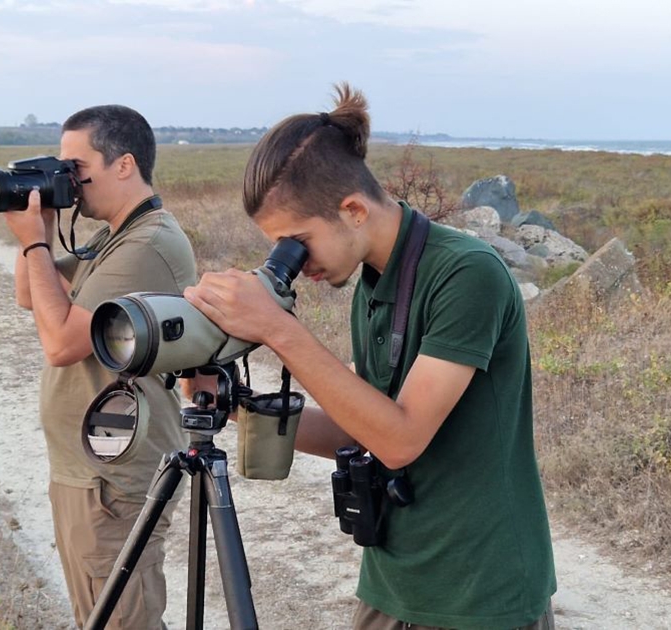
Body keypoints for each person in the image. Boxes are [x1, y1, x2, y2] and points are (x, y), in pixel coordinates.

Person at [184, 84, 557, 629]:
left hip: (480, 591)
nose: (293, 261)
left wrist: (277, 327)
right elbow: (360, 429)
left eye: (297, 241)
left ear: (353, 209)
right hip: (395, 576)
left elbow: (399, 439)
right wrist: (235, 403)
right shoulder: (376, 279)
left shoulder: (466, 274)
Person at [4, 104, 197, 629]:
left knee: (122, 621)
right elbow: (32, 294)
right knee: (97, 617)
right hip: (87, 469)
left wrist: (35, 242)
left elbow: (62, 342)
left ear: (124, 164)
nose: (69, 179)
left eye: (76, 166)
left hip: (112, 475)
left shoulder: (146, 243)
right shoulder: (115, 236)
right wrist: (38, 224)